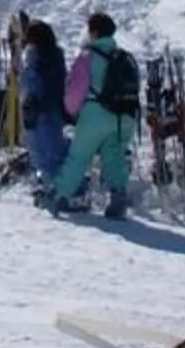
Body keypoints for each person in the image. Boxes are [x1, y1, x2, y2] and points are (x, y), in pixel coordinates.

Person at [48, 11, 136, 217]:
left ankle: (58, 195)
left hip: (95, 115)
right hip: (124, 116)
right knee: (114, 156)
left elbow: (75, 91)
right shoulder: (123, 56)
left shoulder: (88, 56)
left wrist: (70, 111)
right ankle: (118, 198)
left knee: (79, 157)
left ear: (94, 32)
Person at [19, 19, 68, 185]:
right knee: (55, 152)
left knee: (40, 152)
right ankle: (63, 187)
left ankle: (50, 187)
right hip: (54, 108)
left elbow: (29, 83)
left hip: (36, 109)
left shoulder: (32, 56)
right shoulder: (57, 56)